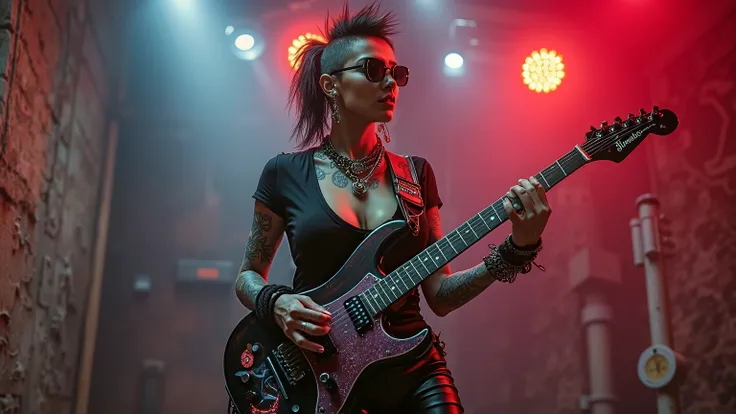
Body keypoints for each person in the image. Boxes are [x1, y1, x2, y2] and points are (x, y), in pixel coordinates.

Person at [234, 3, 551, 413]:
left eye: (396, 72)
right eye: (373, 69)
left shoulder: (415, 175)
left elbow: (441, 295)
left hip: (412, 366)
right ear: (331, 85)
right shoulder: (284, 173)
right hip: (325, 372)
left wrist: (517, 248)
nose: (390, 82)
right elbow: (247, 276)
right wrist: (276, 303)